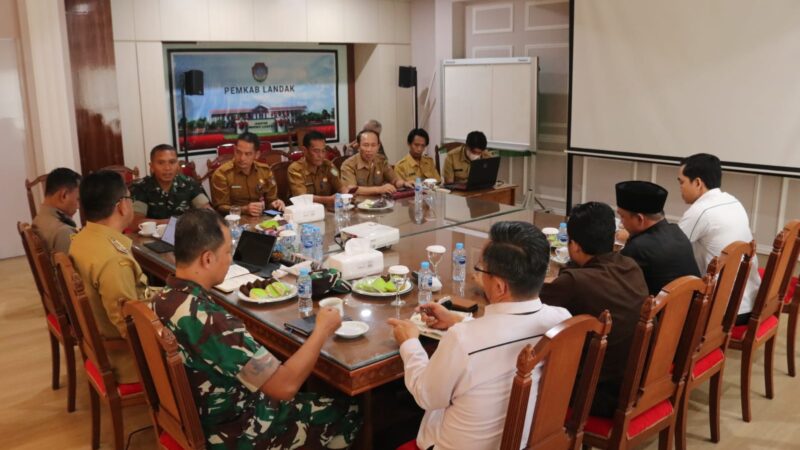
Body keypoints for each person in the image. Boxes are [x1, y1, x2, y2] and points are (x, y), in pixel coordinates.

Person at [151, 209, 360, 448]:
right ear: (207, 258)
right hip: (234, 432)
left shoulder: (162, 299)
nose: (230, 259)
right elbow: (285, 386)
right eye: (228, 251)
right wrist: (321, 330)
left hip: (197, 417)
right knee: (347, 408)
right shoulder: (211, 321)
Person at [387, 221, 571, 450]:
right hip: (528, 442)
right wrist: (458, 320)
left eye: (480, 270)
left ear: (500, 287)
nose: (478, 276)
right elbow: (507, 330)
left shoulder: (463, 340)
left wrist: (410, 343)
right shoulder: (562, 321)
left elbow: (426, 396)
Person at [540, 202, 648, 418]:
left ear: (575, 246)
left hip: (595, 394)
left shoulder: (575, 282)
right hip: (633, 381)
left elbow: (526, 300)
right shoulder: (630, 266)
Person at [69, 170, 150, 385]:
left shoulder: (83, 238)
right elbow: (129, 327)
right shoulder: (114, 260)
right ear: (122, 205)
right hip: (126, 360)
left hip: (101, 341)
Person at [677, 153, 760, 324]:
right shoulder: (733, 201)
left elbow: (668, 246)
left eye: (682, 182)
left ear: (698, 183)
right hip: (750, 298)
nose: (680, 188)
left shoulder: (701, 210)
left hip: (724, 309)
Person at [615, 180, 700, 295]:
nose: (621, 223)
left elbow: (613, 285)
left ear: (640, 219)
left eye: (622, 216)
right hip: (689, 309)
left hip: (662, 312)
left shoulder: (638, 248)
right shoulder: (676, 231)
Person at [129, 144, 210, 223]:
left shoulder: (189, 183)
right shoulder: (141, 187)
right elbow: (135, 222)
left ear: (178, 165)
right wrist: (171, 223)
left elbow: (207, 211)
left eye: (172, 162)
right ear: (152, 166)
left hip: (185, 234)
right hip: (152, 235)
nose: (167, 168)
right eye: (161, 163)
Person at [210, 132, 285, 216]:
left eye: (248, 154)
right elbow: (220, 207)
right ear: (234, 150)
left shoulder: (265, 171)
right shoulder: (222, 174)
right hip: (234, 220)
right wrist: (243, 209)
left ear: (257, 155)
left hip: (262, 219)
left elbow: (271, 200)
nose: (242, 158)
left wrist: (276, 203)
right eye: (238, 152)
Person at [340, 129, 412, 195]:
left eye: (373, 145)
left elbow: (394, 180)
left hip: (379, 205)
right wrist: (379, 189)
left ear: (378, 147)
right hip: (357, 205)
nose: (369, 149)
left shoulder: (381, 160)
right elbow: (351, 190)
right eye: (366, 145)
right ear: (358, 147)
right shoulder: (348, 165)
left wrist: (403, 183)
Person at [287, 130, 345, 205]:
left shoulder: (329, 166)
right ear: (304, 150)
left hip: (327, 210)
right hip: (304, 212)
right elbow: (301, 198)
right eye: (316, 151)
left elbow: (340, 187)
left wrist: (346, 193)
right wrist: (328, 200)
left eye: (323, 151)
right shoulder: (295, 169)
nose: (321, 155)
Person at [32, 167, 81, 254]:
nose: (78, 206)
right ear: (64, 195)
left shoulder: (39, 219)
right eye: (78, 199)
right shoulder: (63, 232)